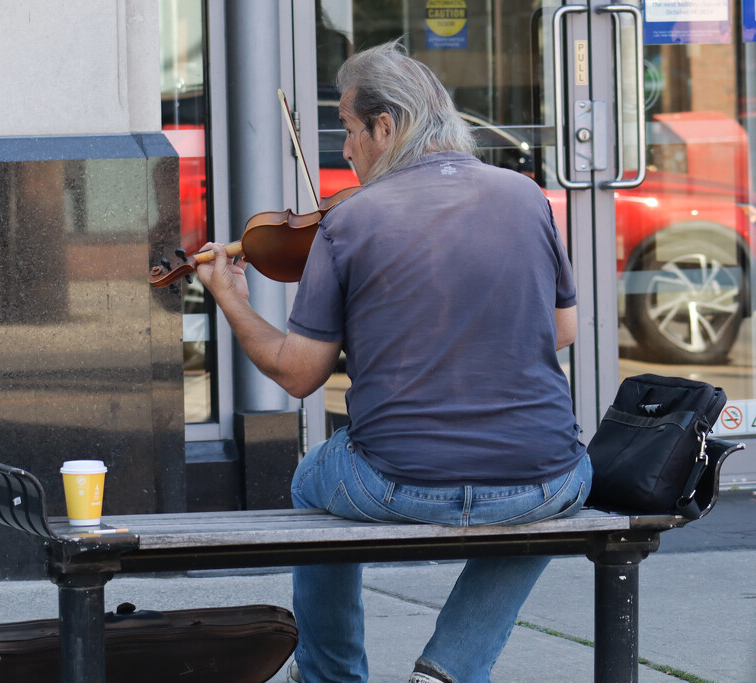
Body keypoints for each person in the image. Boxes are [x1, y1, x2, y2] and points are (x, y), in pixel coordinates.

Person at [194, 40, 592, 683]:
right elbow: (563, 330)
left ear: (386, 125)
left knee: (309, 481)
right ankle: (453, 665)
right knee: (561, 491)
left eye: (349, 130)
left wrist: (233, 300)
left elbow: (299, 374)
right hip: (541, 479)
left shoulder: (352, 220)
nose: (345, 150)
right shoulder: (524, 196)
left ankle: (330, 674)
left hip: (394, 484)